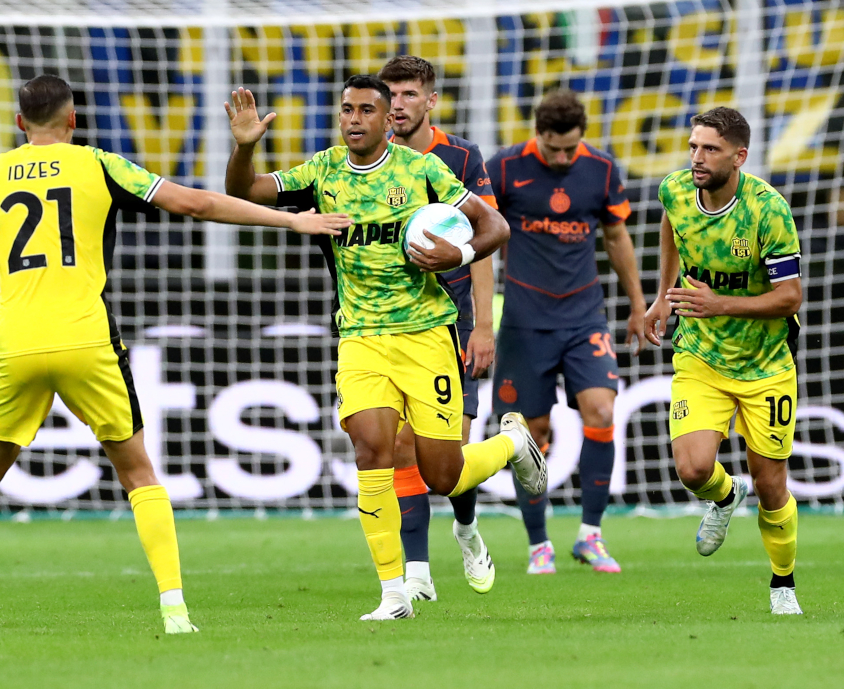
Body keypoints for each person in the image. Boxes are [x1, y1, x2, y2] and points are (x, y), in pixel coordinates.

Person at [0, 75, 350, 636]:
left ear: (20, 124)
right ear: (73, 120)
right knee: (138, 472)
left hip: (16, 344)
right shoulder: (99, 164)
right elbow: (195, 205)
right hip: (86, 342)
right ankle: (174, 610)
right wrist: (289, 219)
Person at [224, 76, 547, 621]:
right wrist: (245, 145)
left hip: (425, 335)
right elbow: (244, 192)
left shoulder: (421, 170)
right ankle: (394, 593)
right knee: (371, 450)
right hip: (361, 337)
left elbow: (496, 226)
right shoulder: (323, 169)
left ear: (385, 119)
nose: (354, 119)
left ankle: (512, 443)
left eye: (366, 110)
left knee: (442, 475)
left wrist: (458, 255)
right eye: (347, 109)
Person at [644, 107, 804, 615]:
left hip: (766, 363)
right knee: (692, 470)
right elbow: (672, 225)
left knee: (772, 484)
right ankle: (723, 494)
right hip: (701, 355)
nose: (696, 158)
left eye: (709, 149)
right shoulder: (674, 189)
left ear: (739, 156)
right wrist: (664, 295)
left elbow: (790, 297)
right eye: (693, 146)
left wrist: (720, 304)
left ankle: (783, 584)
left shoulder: (767, 210)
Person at [485, 90, 646, 575]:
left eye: (569, 149)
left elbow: (616, 236)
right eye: (553, 148)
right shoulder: (505, 168)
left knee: (601, 409)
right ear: (538, 133)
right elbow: (480, 233)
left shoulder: (600, 169)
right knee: (528, 433)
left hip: (583, 317)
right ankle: (539, 544)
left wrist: (638, 304)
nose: (561, 158)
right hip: (523, 321)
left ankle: (590, 536)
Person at [378, 55, 497, 600]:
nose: (397, 105)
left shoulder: (461, 157)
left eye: (407, 95)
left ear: (430, 101)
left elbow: (486, 240)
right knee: (402, 447)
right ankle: (419, 571)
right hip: (390, 325)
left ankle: (468, 529)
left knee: (447, 456)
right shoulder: (368, 158)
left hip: (452, 322)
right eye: (391, 95)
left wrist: (484, 325)